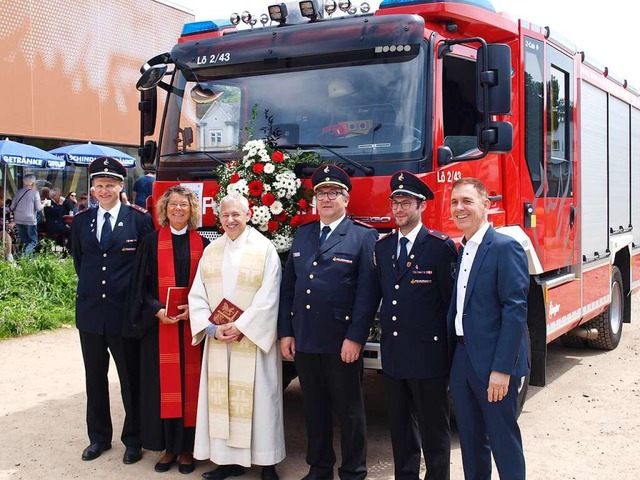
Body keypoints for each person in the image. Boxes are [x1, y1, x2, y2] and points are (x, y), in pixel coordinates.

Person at [278, 164, 379, 480]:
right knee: (314, 407)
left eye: (333, 193)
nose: (326, 198)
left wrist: (356, 337)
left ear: (346, 199)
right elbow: (289, 289)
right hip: (306, 338)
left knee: (349, 410)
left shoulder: (363, 237)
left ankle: (353, 469)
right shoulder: (304, 234)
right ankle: (319, 466)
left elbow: (367, 294)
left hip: (341, 341)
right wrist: (286, 333)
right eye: (321, 193)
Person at [189, 193, 285, 480]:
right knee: (223, 401)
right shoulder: (212, 250)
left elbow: (270, 297)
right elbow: (198, 294)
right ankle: (227, 461)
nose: (231, 220)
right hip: (219, 340)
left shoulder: (264, 248)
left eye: (236, 214)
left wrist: (242, 326)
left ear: (249, 215)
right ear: (220, 218)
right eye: (226, 215)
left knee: (261, 400)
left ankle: (268, 463)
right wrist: (211, 328)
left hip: (252, 341)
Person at [374, 171, 457, 480]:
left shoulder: (439, 247)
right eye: (395, 203)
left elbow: (450, 307)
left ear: (421, 206)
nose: (398, 209)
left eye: (406, 203)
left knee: (435, 433)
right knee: (401, 431)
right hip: (395, 356)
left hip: (428, 357)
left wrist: (452, 358)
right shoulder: (382, 248)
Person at [71, 156, 154, 465]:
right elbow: (82, 263)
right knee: (95, 378)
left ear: (122, 186)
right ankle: (98, 438)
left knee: (130, 379)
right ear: (92, 189)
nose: (104, 190)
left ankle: (134, 439)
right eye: (99, 185)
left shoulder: (138, 220)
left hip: (124, 314)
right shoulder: (81, 222)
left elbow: (146, 269)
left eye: (110, 185)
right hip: (91, 314)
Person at [447, 177, 529, 480]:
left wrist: (502, 369)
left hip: (493, 363)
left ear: (486, 205)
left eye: (467, 201)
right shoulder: (462, 249)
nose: (459, 208)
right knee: (469, 440)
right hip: (462, 359)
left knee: (503, 440)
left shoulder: (505, 248)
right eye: (455, 202)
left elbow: (515, 309)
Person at [125, 186, 208, 474]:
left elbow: (210, 289)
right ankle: (168, 448)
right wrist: (157, 310)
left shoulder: (203, 244)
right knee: (163, 387)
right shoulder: (150, 242)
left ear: (192, 210)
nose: (177, 209)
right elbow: (139, 286)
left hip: (192, 330)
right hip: (160, 328)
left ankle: (186, 448)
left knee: (191, 387)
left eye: (183, 205)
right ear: (164, 208)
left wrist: (194, 311)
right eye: (172, 204)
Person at [10, 174, 43, 256]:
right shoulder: (35, 193)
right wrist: (45, 204)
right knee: (33, 241)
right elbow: (38, 208)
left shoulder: (18, 192)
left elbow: (12, 207)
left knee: (25, 241)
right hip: (30, 220)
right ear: (33, 182)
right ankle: (25, 259)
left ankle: (28, 260)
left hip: (19, 219)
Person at [0, 187, 14, 261]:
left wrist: (13, 223)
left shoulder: (9, 204)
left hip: (7, 228)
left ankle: (9, 256)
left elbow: (17, 216)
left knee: (5, 235)